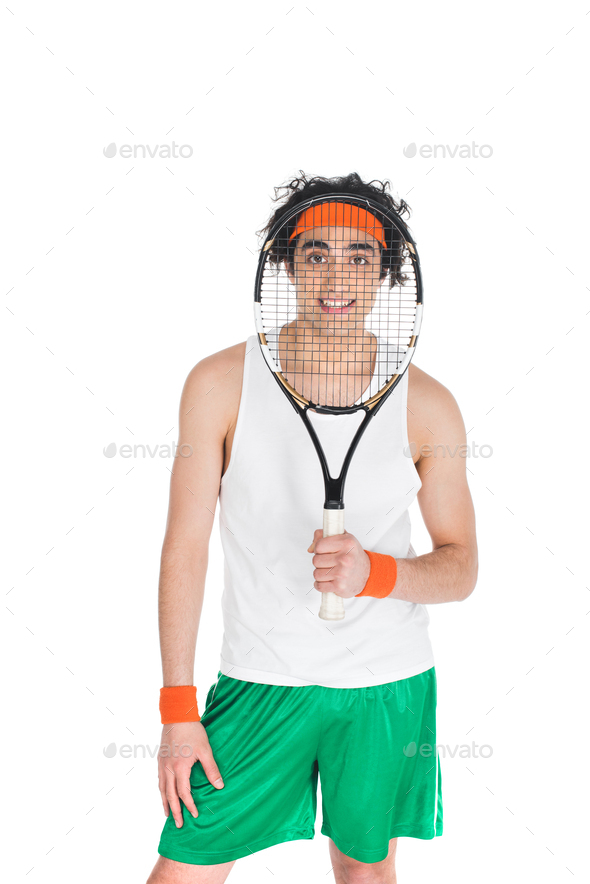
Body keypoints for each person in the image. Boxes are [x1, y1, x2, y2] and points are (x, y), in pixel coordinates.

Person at [146, 172, 478, 884]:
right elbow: (184, 548)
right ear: (286, 266)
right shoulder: (217, 383)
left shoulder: (429, 406)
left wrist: (377, 574)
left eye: (360, 257)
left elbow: (462, 568)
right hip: (260, 680)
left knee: (364, 872)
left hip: (386, 685)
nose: (337, 275)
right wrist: (178, 707)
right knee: (184, 869)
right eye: (316, 253)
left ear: (385, 272)